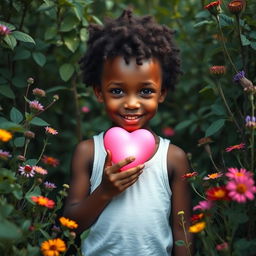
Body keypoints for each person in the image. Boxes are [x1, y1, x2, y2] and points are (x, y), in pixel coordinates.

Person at [64, 8, 193, 256]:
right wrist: (104, 192)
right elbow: (70, 225)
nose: (132, 103)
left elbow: (181, 231)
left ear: (162, 92)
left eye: (145, 91)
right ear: (99, 92)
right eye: (117, 91)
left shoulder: (173, 158)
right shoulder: (88, 152)